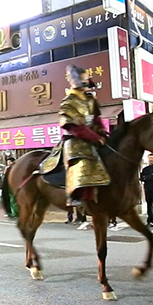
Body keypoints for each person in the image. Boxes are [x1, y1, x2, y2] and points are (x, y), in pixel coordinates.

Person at [58, 65, 110, 208]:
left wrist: (102, 132)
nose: (86, 82)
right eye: (83, 80)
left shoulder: (90, 99)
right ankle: (75, 195)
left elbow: (97, 119)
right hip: (75, 140)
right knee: (82, 160)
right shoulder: (68, 102)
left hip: (93, 135)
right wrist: (95, 138)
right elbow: (75, 128)